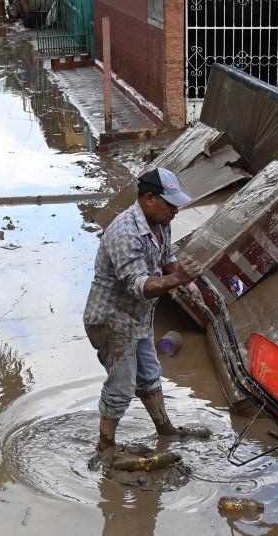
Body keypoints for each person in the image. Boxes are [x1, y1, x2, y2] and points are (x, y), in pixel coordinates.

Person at [83, 167, 208, 465]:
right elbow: (140, 287)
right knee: (122, 385)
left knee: (150, 375)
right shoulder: (124, 232)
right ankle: (105, 445)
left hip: (137, 320)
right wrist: (178, 281)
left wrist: (187, 282)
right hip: (111, 321)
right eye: (170, 204)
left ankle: (165, 428)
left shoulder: (160, 223)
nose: (175, 211)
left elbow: (168, 259)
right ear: (149, 198)